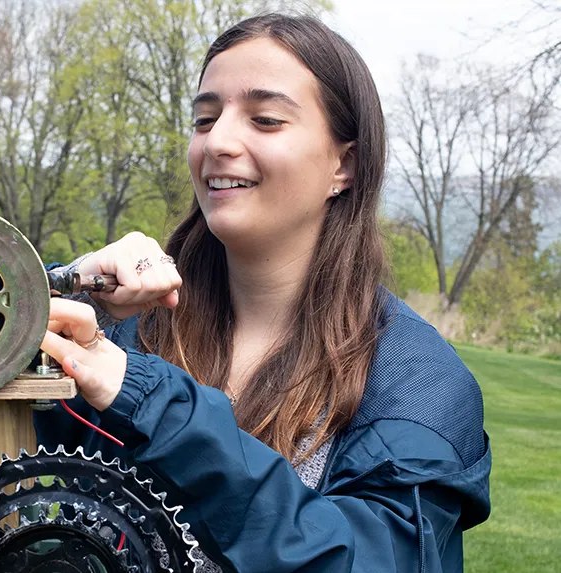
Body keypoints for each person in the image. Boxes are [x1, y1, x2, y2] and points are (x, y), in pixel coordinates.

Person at [37, 13, 490, 573]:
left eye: (266, 119)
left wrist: (151, 401)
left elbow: (362, 560)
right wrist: (66, 287)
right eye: (205, 118)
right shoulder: (124, 334)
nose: (219, 141)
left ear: (343, 164)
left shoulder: (417, 384)